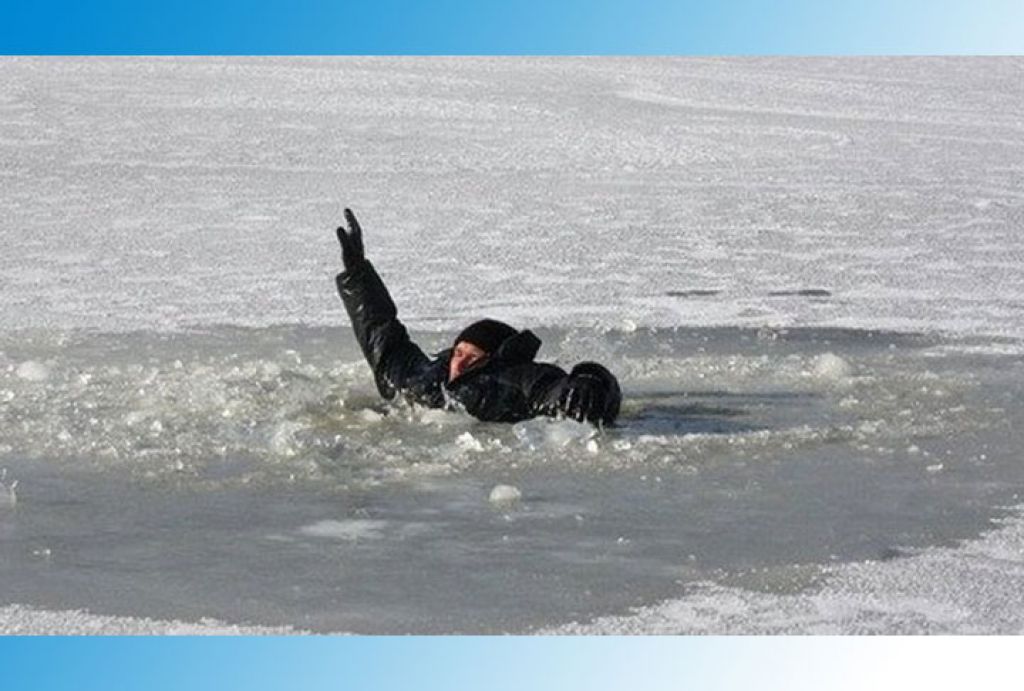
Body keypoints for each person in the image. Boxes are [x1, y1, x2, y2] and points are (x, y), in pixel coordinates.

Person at [334, 208, 621, 426]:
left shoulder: (518, 378)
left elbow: (558, 389)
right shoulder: (425, 376)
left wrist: (590, 380)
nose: (461, 361)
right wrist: (358, 274)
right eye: (460, 352)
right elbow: (383, 335)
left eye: (474, 355)